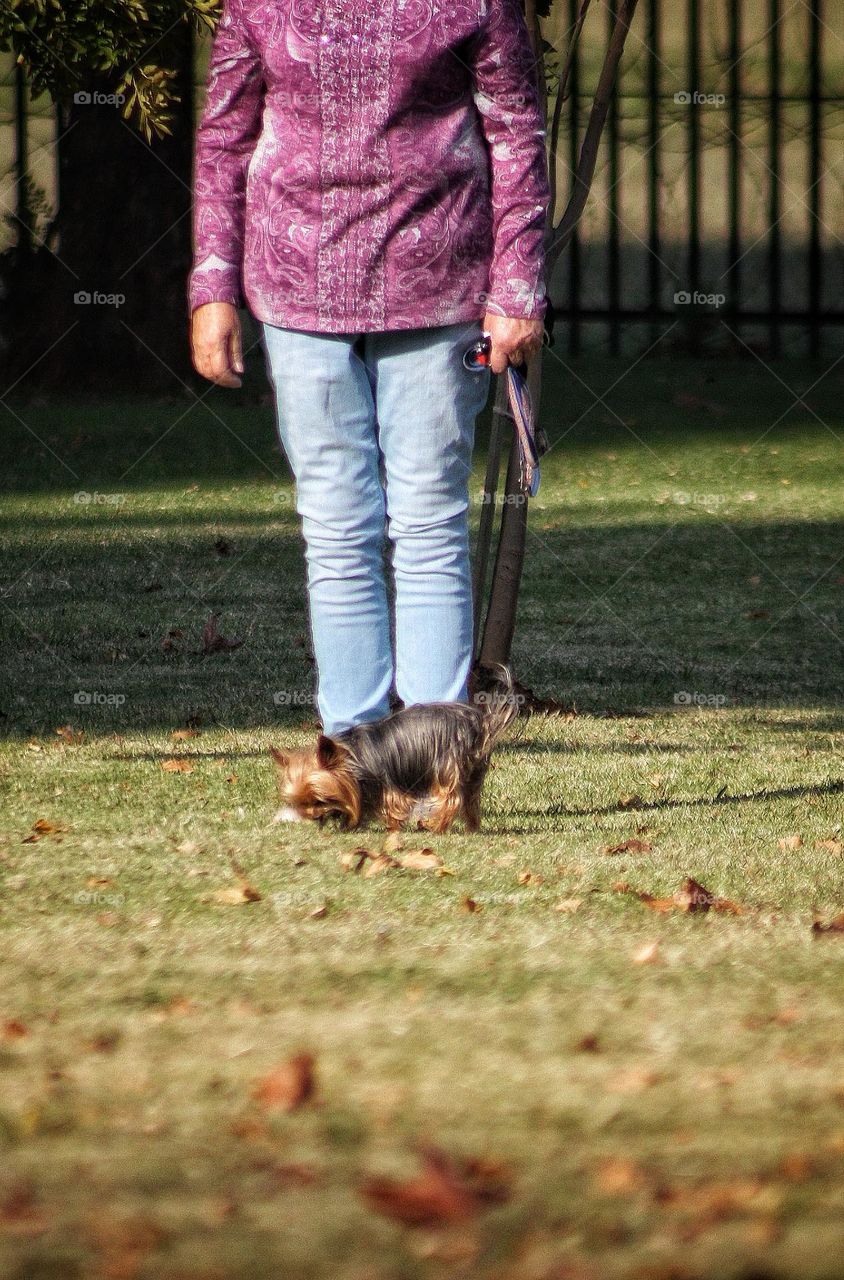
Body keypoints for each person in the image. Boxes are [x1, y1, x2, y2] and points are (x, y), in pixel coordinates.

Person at [188, 0, 549, 734]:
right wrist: (212, 285)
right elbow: (224, 139)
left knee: (428, 521)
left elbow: (517, 134)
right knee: (335, 525)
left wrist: (516, 287)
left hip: (439, 280)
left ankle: (430, 762)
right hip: (295, 288)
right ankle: (348, 750)